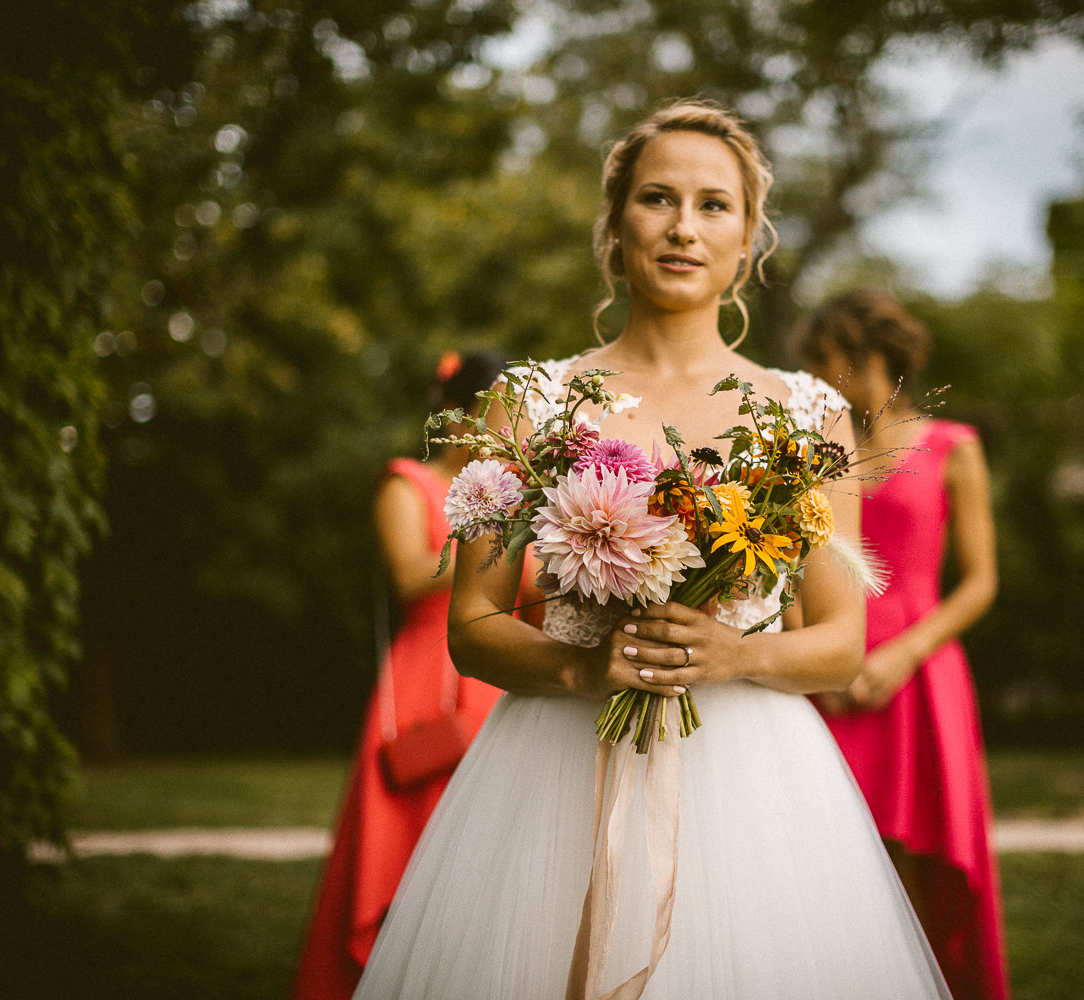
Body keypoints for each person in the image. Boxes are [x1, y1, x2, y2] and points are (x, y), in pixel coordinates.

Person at [351, 101, 952, 1000]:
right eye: (657, 198)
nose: (683, 226)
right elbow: (471, 626)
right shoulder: (530, 403)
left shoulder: (805, 415)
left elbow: (838, 641)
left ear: (749, 236)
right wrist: (586, 666)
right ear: (615, 225)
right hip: (551, 767)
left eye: (714, 205)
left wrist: (731, 651)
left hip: (750, 782)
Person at [793, 288, 1010, 1000]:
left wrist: (901, 656)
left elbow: (978, 584)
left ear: (864, 355)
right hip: (830, 661)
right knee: (834, 857)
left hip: (918, 669)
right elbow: (797, 567)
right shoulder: (823, 456)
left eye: (825, 362)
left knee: (924, 858)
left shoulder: (956, 448)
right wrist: (812, 662)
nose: (818, 381)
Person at [290, 350, 510, 1000]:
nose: (502, 431)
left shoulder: (513, 492)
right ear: (457, 413)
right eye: (492, 415)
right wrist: (491, 536)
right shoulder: (406, 482)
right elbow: (411, 574)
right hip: (428, 672)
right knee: (413, 839)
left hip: (498, 677)